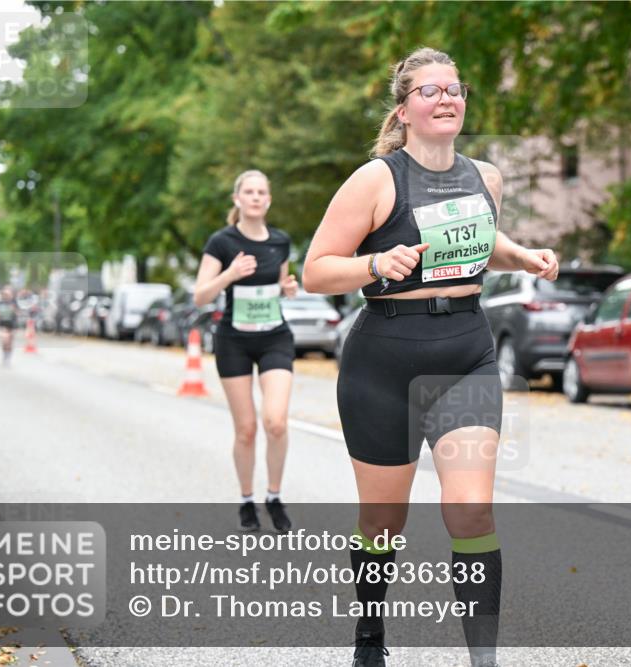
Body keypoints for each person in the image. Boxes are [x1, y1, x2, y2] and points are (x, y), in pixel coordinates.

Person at [302, 47, 560, 667]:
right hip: (383, 359)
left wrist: (520, 255)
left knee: (470, 508)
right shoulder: (376, 180)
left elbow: (473, 237)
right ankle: (369, 644)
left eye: (455, 89)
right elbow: (314, 271)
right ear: (404, 110)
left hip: (464, 355)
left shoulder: (486, 177)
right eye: (430, 91)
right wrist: (372, 264)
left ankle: (484, 659)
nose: (446, 98)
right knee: (384, 521)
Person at [194, 170, 300, 533]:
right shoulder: (222, 242)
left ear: (268, 200)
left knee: (276, 421)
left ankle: (274, 495)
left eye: (261, 192)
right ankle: (246, 501)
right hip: (234, 340)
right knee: (246, 430)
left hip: (274, 336)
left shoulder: (281, 241)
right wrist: (230, 274)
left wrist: (287, 288)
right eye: (249, 192)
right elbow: (200, 295)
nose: (255, 197)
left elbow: (281, 283)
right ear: (237, 199)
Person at [0, 287, 19, 367]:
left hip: (12, 324)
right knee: (5, 340)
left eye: (8, 294)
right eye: (5, 294)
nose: (6, 296)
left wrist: (14, 310)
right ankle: (5, 356)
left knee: (10, 342)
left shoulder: (14, 302)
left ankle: (8, 357)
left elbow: (18, 313)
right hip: (3, 324)